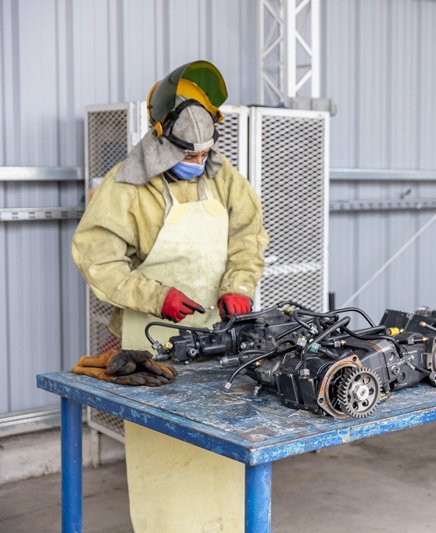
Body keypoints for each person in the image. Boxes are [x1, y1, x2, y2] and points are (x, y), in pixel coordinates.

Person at [72, 60, 268, 531]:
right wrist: (156, 296)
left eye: (205, 152)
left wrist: (237, 287)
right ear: (161, 137)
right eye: (189, 153)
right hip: (151, 343)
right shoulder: (127, 185)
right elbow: (96, 258)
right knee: (168, 453)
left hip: (219, 339)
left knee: (222, 448)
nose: (199, 161)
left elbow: (248, 237)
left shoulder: (222, 177)